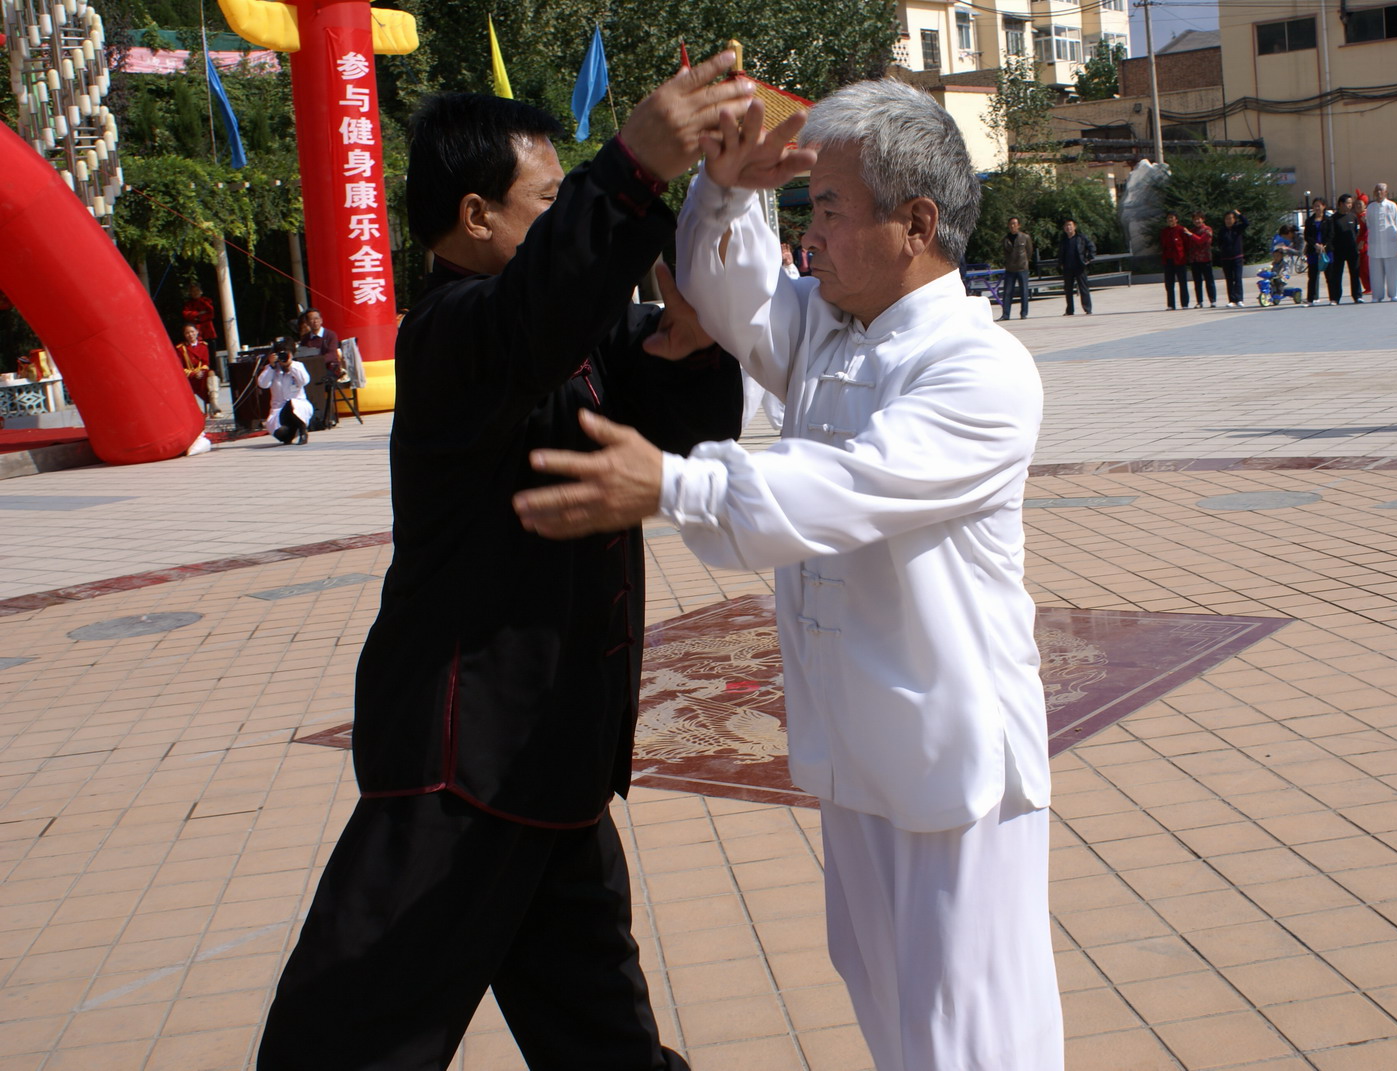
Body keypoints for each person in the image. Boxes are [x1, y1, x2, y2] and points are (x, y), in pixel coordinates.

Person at [513, 79, 1063, 1071]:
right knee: (887, 1001)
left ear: (917, 224)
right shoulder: (831, 329)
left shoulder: (978, 368)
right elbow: (730, 293)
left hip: (952, 761)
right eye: (807, 211)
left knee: (969, 1031)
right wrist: (726, 190)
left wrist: (675, 483)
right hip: (859, 746)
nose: (811, 239)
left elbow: (843, 486)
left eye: (831, 211)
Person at [255, 57, 751, 1071]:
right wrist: (630, 169)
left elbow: (687, 426)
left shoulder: (575, 340)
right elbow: (538, 310)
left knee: (603, 1041)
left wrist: (688, 345)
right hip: (460, 765)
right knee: (348, 1039)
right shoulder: (451, 335)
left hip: (552, 758)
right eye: (550, 199)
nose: (568, 214)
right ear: (476, 217)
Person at [256, 339, 313, 445]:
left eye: (286, 354)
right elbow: (262, 384)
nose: (283, 357)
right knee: (280, 433)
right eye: (280, 354)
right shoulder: (272, 369)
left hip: (297, 405)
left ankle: (302, 430)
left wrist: (290, 365)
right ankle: (290, 432)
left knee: (292, 405)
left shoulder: (297, 366)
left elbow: (304, 381)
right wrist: (271, 367)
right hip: (279, 409)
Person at [1366, 183, 1397, 301]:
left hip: (1389, 244)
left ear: (1386, 192)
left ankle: (1394, 294)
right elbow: (1369, 224)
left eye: (1381, 190)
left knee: (1392, 271)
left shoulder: (1392, 205)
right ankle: (1377, 295)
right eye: (1376, 190)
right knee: (1375, 272)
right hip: (1375, 244)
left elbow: (1396, 223)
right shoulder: (1370, 207)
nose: (1379, 193)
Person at [1327, 194, 1362, 305]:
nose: (1350, 205)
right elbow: (1331, 235)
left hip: (1352, 250)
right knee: (1337, 275)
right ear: (1341, 204)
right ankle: (1335, 298)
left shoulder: (1353, 217)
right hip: (1338, 251)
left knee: (1355, 273)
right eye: (1348, 203)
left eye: (1351, 203)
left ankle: (1357, 296)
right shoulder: (1333, 218)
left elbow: (1356, 232)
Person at [1057, 217, 1095, 315]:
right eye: (1066, 225)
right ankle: (1070, 310)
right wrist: (1060, 263)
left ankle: (1087, 308)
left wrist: (1088, 259)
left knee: (1083, 288)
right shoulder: (1063, 240)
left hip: (1079, 266)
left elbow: (1091, 247)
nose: (1068, 227)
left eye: (1070, 225)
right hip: (1067, 267)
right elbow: (1060, 253)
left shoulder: (1081, 238)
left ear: (1074, 226)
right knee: (1068, 289)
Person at [999, 215, 1033, 320]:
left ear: (1019, 225)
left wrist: (1025, 261)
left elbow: (1029, 251)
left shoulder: (1025, 237)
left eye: (1014, 224)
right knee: (1007, 292)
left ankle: (1023, 313)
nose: (1012, 226)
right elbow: (1005, 253)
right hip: (1010, 268)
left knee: (1024, 291)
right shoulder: (1005, 239)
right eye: (1011, 224)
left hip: (1022, 268)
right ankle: (1005, 314)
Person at [1216, 209, 1249, 307]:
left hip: (1237, 258)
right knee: (1229, 280)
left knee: (1237, 278)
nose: (1228, 221)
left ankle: (1239, 299)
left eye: (1230, 218)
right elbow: (1219, 243)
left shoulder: (1237, 228)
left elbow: (1246, 223)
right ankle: (1232, 300)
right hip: (1226, 259)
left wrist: (1240, 215)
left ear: (1234, 219)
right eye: (1226, 219)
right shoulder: (1222, 231)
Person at [1184, 211, 1217, 308]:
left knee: (1209, 281)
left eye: (1198, 219)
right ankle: (1199, 301)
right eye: (1195, 219)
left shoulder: (1207, 229)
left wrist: (1190, 234)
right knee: (1197, 282)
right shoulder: (1192, 230)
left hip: (1205, 259)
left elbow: (1201, 241)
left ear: (1203, 219)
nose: (1197, 221)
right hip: (1195, 260)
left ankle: (1213, 300)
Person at [1159, 211, 1190, 310]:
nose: (1170, 220)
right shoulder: (1165, 231)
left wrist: (1184, 256)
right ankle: (1171, 304)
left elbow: (1187, 245)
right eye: (1168, 218)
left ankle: (1184, 304)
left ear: (1176, 219)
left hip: (1180, 260)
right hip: (1168, 260)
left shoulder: (1181, 230)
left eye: (1172, 218)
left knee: (1182, 282)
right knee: (1169, 283)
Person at [1302, 198, 1330, 306]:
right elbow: (1307, 236)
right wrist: (1315, 245)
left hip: (1326, 251)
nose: (1317, 208)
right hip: (1313, 251)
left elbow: (1331, 234)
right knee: (1312, 276)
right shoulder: (1310, 221)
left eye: (1319, 206)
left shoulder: (1328, 220)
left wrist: (1324, 245)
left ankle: (1333, 298)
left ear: (1324, 206)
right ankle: (1311, 299)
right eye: (1315, 206)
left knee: (1329, 275)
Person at [181, 282, 217, 346]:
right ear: (190, 293)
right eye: (193, 291)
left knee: (211, 346)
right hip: (196, 330)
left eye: (197, 290)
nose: (195, 293)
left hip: (208, 329)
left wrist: (198, 317)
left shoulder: (206, 301)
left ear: (201, 291)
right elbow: (186, 314)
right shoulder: (188, 304)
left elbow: (211, 313)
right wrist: (198, 314)